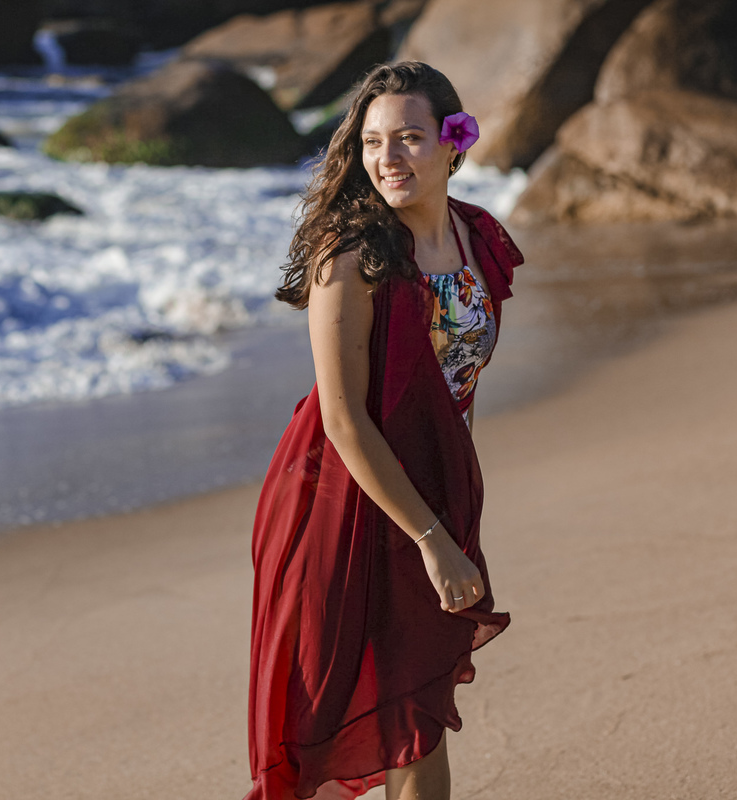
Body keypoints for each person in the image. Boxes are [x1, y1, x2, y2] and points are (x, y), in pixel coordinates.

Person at [245, 61, 524, 800]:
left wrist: (452, 503)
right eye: (372, 142)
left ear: (453, 141)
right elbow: (342, 419)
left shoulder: (477, 238)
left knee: (416, 707)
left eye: (407, 138)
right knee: (323, 720)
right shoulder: (352, 257)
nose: (387, 159)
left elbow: (458, 385)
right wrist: (431, 540)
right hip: (338, 502)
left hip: (429, 490)